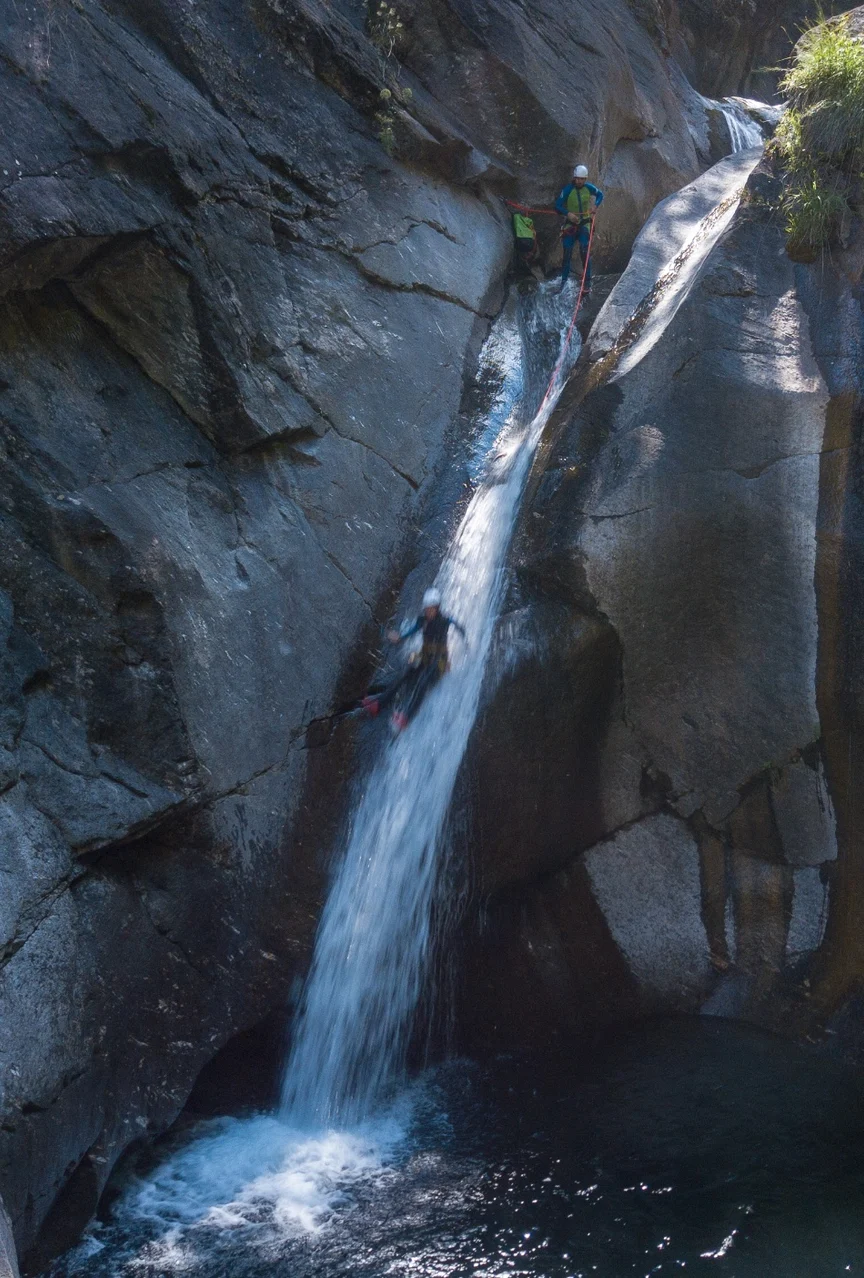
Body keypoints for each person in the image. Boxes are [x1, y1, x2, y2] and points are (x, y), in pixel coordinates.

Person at [361, 588, 466, 733]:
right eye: (426, 609)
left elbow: (459, 627)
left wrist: (467, 644)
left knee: (423, 682)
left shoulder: (445, 620)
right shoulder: (422, 621)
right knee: (404, 675)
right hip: (425, 657)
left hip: (440, 662)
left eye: (431, 609)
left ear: (437, 607)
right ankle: (379, 703)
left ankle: (406, 717)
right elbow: (411, 631)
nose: (428, 612)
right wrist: (400, 637)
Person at [555, 164, 603, 293]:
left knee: (584, 251)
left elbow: (600, 195)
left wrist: (595, 206)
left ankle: (587, 282)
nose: (579, 181)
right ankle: (564, 281)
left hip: (584, 223)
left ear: (585, 179)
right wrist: (568, 214)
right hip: (571, 224)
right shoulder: (567, 190)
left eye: (582, 179)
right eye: (578, 179)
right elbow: (558, 205)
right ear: (574, 178)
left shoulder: (589, 188)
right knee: (567, 252)